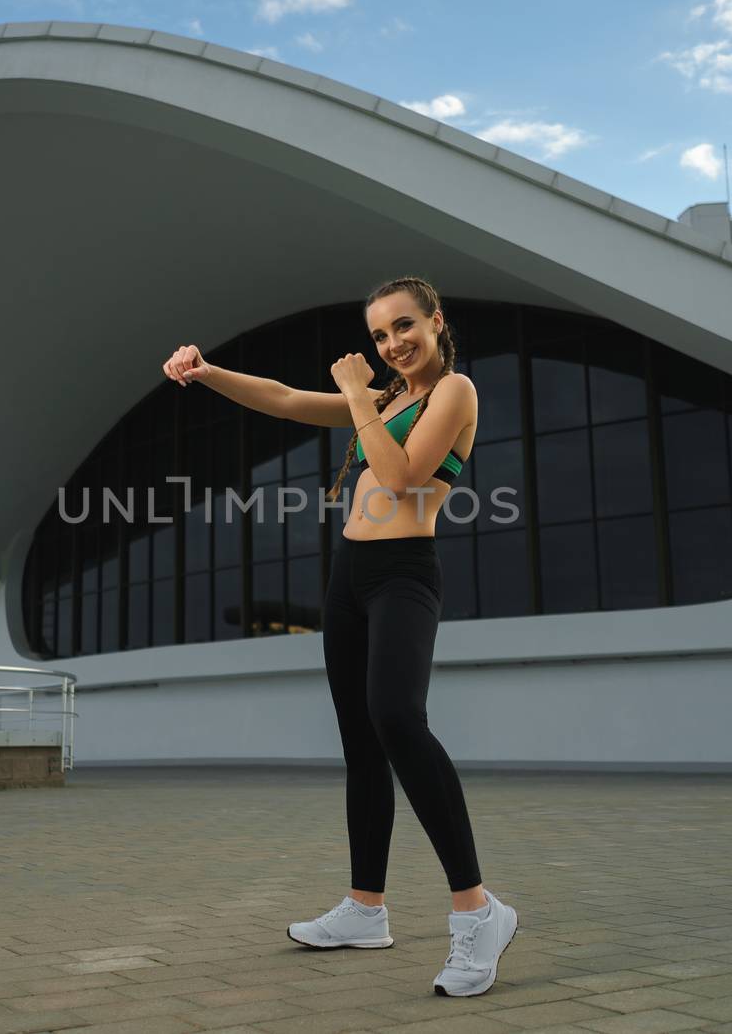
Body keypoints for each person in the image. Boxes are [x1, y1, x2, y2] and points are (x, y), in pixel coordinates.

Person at [160, 276, 518, 997]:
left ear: (435, 321)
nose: (392, 345)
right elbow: (288, 399)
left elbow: (406, 475)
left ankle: (479, 911)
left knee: (396, 719)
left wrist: (358, 393)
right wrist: (207, 371)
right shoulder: (385, 398)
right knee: (361, 741)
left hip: (402, 574)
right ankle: (365, 908)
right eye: (382, 335)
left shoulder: (454, 392)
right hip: (348, 574)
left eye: (404, 327)